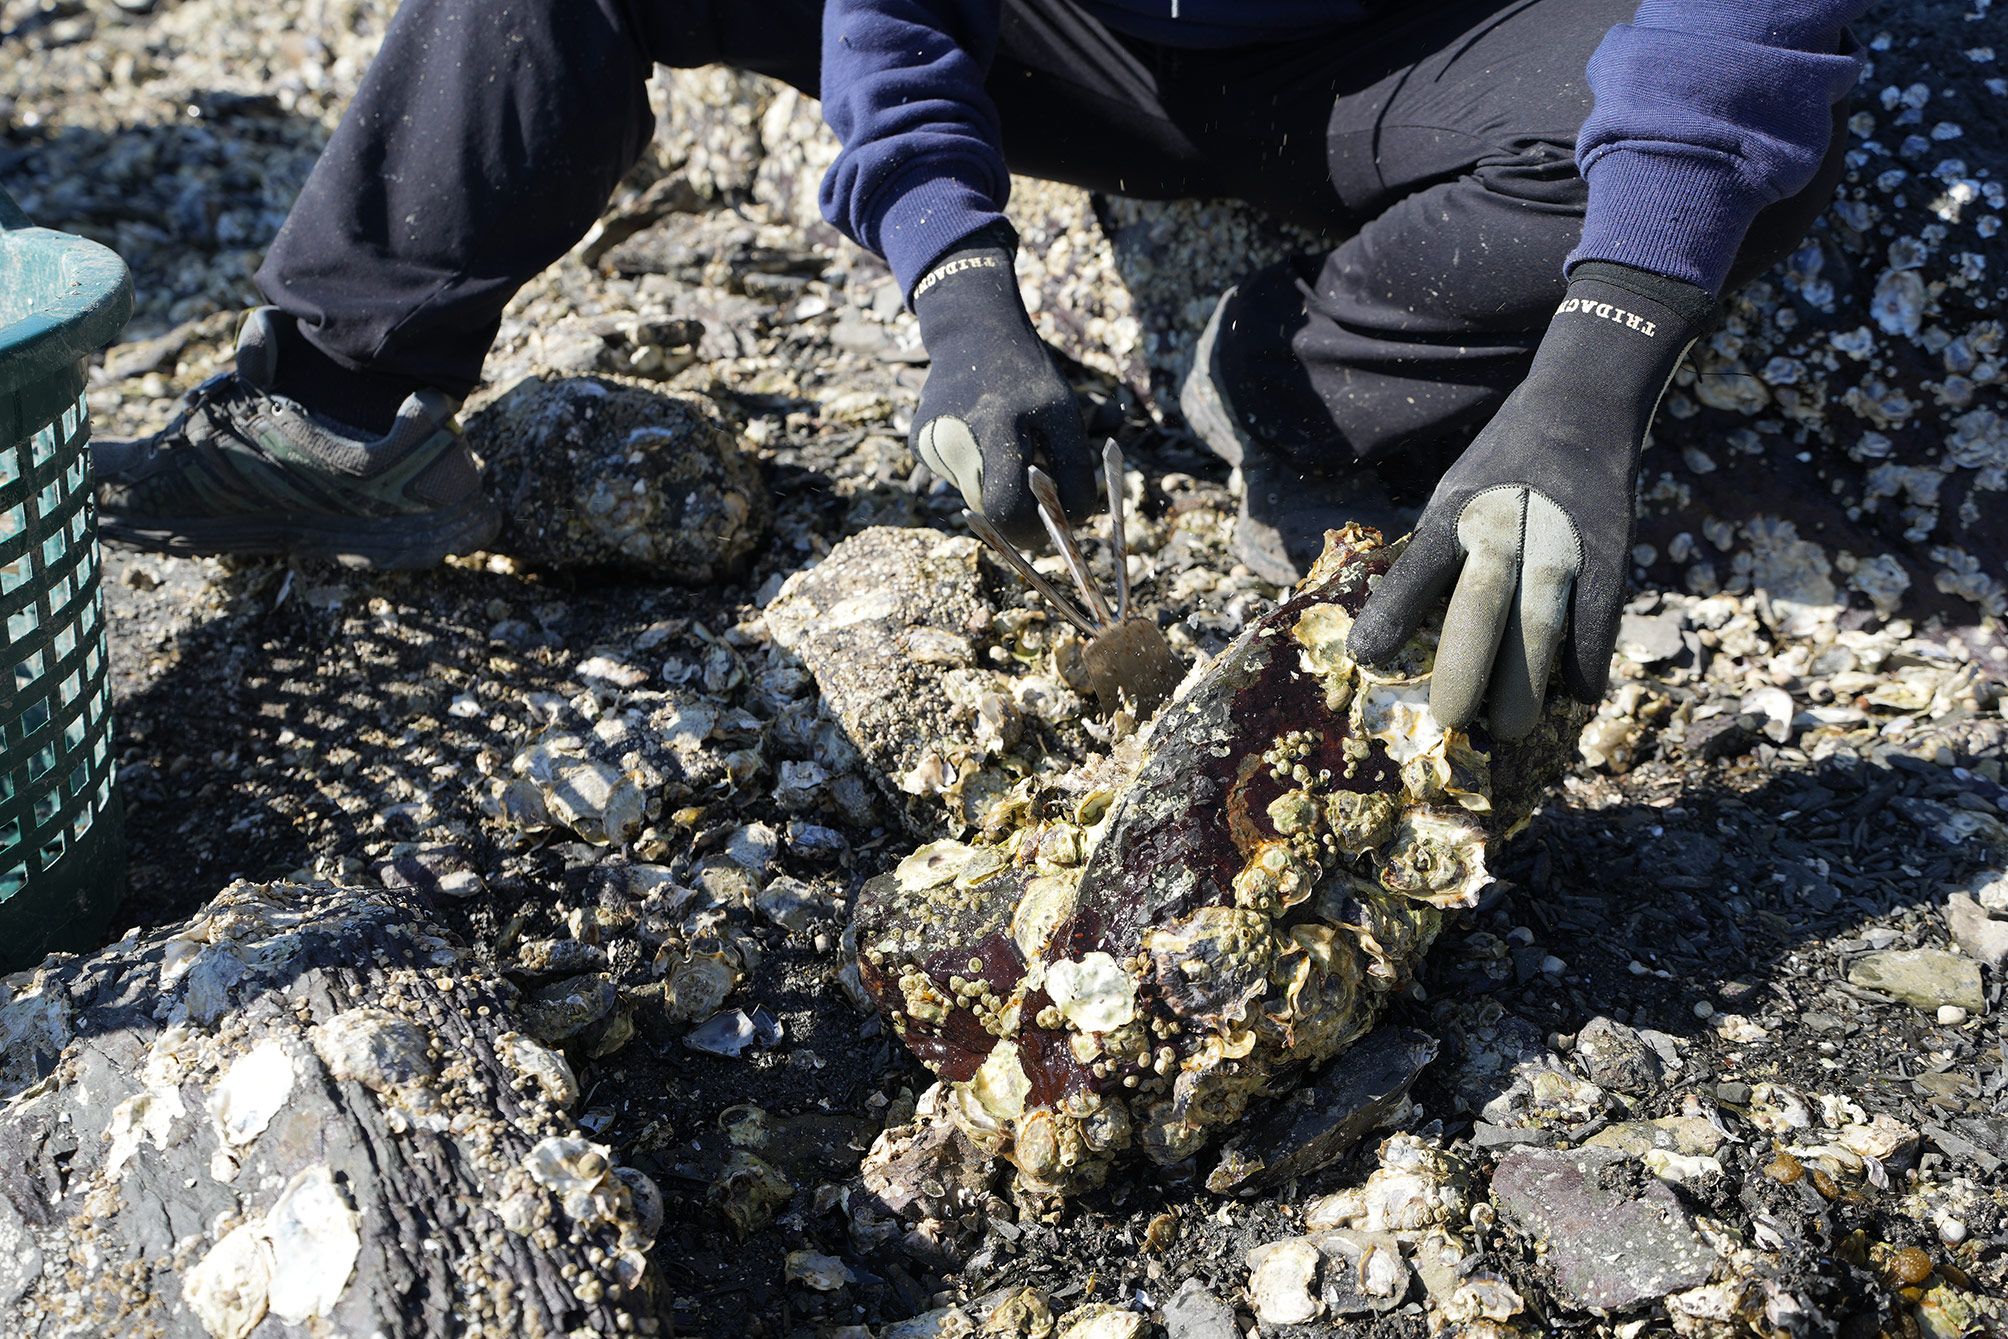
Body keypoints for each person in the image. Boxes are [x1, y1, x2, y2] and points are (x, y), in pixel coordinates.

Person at [94, 0, 1868, 739]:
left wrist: (1591, 381)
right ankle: (336, 400)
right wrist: (957, 280)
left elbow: (1744, 30)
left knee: (1726, 171)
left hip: (1413, 55)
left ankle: (1295, 392)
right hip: (1069, 36)